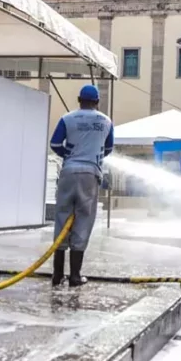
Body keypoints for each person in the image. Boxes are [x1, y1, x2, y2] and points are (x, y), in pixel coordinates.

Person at [48, 84, 114, 287]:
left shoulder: (67, 119)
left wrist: (70, 154)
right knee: (83, 220)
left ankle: (58, 275)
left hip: (69, 172)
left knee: (62, 218)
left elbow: (55, 144)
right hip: (90, 174)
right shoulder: (106, 121)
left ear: (79, 99)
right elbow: (109, 147)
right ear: (96, 102)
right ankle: (75, 276)